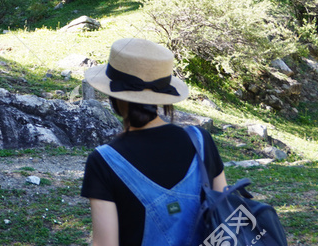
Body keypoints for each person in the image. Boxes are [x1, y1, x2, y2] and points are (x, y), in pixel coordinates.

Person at [80, 38, 227, 246]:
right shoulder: (201, 142)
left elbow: (105, 244)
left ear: (114, 96)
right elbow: (225, 217)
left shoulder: (102, 161)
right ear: (162, 97)